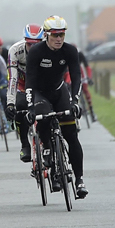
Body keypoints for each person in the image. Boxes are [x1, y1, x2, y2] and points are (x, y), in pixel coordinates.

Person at [25, 15, 88, 199]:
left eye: (62, 35)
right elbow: (29, 81)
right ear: (46, 35)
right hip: (40, 93)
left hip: (60, 91)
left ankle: (79, 180)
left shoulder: (69, 51)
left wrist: (76, 102)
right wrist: (30, 107)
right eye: (55, 35)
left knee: (72, 136)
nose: (59, 39)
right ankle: (46, 148)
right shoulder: (36, 52)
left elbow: (76, 77)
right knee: (43, 116)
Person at [5, 24, 45, 163]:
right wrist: (10, 103)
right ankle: (25, 144)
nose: (33, 48)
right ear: (25, 41)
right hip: (22, 85)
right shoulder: (15, 51)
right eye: (29, 44)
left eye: (36, 44)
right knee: (20, 107)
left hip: (41, 86)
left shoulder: (47, 49)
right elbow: (13, 79)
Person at [64, 46, 97, 122]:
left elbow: (87, 67)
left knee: (85, 90)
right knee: (71, 91)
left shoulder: (80, 54)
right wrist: (67, 82)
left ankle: (92, 111)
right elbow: (67, 71)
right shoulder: (67, 54)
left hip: (81, 74)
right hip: (71, 74)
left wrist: (89, 77)